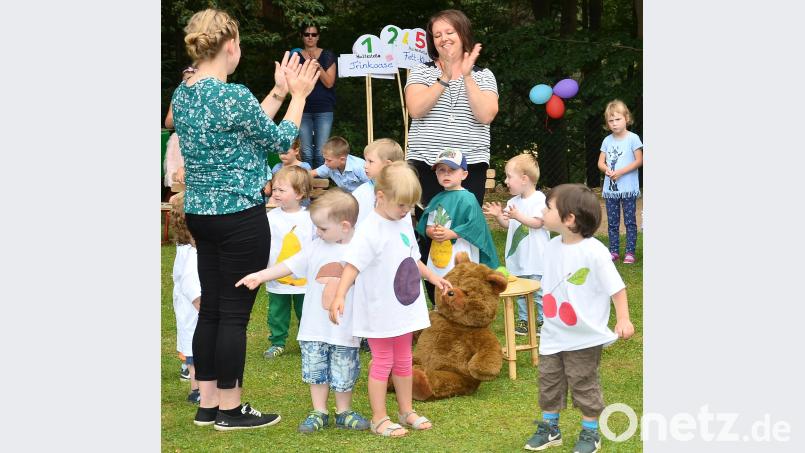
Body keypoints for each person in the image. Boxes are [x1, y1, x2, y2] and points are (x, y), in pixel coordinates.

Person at [170, 8, 319, 431]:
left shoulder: (185, 91)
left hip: (202, 215)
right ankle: (230, 411)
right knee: (233, 315)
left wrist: (275, 92)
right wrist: (299, 96)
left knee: (213, 311)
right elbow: (275, 139)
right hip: (238, 217)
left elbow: (247, 125)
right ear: (230, 45)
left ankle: (208, 404)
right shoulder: (229, 96)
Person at [328, 162, 452, 437]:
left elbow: (411, 257)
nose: (405, 211)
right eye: (401, 206)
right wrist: (339, 295)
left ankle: (406, 411)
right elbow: (352, 266)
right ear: (380, 197)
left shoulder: (402, 220)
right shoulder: (370, 229)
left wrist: (433, 277)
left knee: (405, 358)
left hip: (404, 306)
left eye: (409, 207)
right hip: (379, 309)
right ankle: (379, 418)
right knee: (383, 361)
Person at [236, 189, 371, 434]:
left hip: (346, 328)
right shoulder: (315, 247)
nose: (317, 232)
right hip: (313, 327)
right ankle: (319, 410)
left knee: (345, 371)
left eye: (322, 228)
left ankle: (344, 411)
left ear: (344, 226)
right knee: (315, 372)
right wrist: (260, 275)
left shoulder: (362, 250)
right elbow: (288, 265)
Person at [523, 184, 634, 453]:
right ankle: (551, 429)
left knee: (583, 382)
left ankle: (590, 433)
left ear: (569, 218)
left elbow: (617, 288)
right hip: (553, 332)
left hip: (584, 336)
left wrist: (623, 319)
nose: (542, 210)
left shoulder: (594, 252)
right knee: (549, 381)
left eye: (549, 208)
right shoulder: (551, 246)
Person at [404, 9, 499, 208]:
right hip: (427, 163)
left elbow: (486, 115)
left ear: (463, 34)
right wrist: (444, 77)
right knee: (429, 232)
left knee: (463, 232)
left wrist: (466, 76)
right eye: (437, 35)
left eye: (449, 32)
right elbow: (415, 110)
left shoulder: (484, 75)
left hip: (470, 165)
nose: (443, 39)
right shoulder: (421, 71)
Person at [416, 149, 498, 305]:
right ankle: (441, 311)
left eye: (452, 170)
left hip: (460, 251)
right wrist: (433, 232)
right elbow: (428, 226)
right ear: (436, 174)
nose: (446, 174)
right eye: (441, 170)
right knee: (440, 281)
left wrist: (452, 233)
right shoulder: (437, 198)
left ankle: (462, 313)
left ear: (464, 175)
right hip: (439, 251)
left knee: (460, 282)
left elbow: (475, 226)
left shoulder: (468, 198)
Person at [483, 153, 549, 336]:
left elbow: (538, 223)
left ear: (524, 179)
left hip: (536, 258)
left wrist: (518, 216)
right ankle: (524, 321)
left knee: (538, 291)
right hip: (518, 257)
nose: (505, 181)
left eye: (509, 176)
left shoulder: (539, 199)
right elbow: (508, 224)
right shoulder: (513, 202)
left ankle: (543, 320)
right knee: (519, 291)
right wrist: (498, 216)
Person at [263, 166, 315, 359]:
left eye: (281, 190)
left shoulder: (310, 218)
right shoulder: (269, 217)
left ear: (299, 194)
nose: (275, 193)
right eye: (274, 189)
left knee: (306, 310)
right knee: (277, 311)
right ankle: (277, 341)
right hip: (277, 276)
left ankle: (308, 341)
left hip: (304, 278)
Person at [597, 99, 643, 264]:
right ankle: (614, 252)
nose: (615, 123)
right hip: (611, 190)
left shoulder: (633, 138)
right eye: (611, 120)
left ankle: (630, 252)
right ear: (607, 123)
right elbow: (600, 162)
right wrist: (607, 170)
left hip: (628, 188)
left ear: (626, 118)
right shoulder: (607, 141)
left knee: (630, 221)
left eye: (618, 119)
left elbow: (639, 160)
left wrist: (620, 172)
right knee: (612, 222)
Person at [169, 192, 201, 404]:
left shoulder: (185, 248)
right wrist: (205, 309)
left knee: (194, 351)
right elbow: (192, 287)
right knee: (197, 353)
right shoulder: (192, 254)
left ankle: (196, 386)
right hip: (195, 311)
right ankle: (197, 389)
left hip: (187, 310)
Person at [297, 23, 337, 169]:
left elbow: (329, 83)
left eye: (313, 34)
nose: (310, 37)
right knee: (306, 152)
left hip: (324, 108)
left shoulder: (327, 55)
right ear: (302, 37)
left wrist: (317, 64)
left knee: (321, 153)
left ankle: (321, 187)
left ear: (318, 37)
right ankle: (305, 187)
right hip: (302, 108)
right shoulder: (295, 56)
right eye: (307, 34)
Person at [351, 138, 405, 226]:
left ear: (388, 165)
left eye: (370, 161)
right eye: (365, 161)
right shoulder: (361, 191)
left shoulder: (401, 192)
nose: (365, 166)